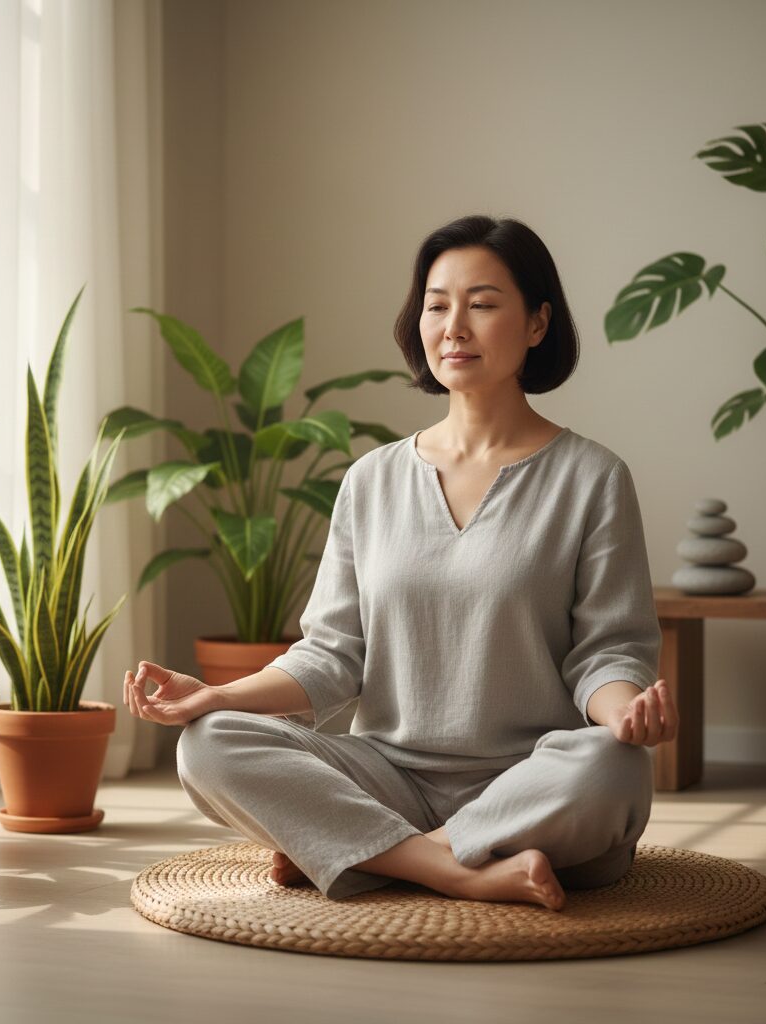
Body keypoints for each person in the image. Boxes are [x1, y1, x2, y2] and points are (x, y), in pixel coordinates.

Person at [123, 214, 679, 911]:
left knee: (612, 771)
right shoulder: (372, 480)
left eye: (482, 304)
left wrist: (628, 714)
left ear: (537, 324)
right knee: (207, 744)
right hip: (387, 775)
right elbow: (332, 653)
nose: (454, 326)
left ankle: (364, 849)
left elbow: (608, 651)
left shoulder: (592, 477)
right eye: (437, 305)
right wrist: (216, 696)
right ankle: (453, 867)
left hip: (530, 781)